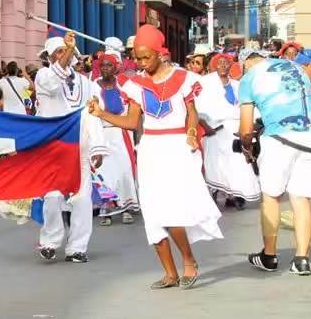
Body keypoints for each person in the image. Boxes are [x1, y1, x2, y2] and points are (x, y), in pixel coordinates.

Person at [89, 25, 222, 289]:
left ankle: (188, 261)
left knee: (173, 212)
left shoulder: (183, 79)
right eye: (137, 58)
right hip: (150, 148)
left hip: (177, 147)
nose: (140, 63)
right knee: (153, 212)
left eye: (145, 57)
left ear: (160, 54)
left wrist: (192, 131)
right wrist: (101, 114)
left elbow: (191, 111)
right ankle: (169, 273)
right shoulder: (136, 85)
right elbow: (130, 122)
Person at [237, 51, 311, 276]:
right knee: (301, 198)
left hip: (279, 138)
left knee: (271, 197)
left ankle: (269, 255)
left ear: (246, 64)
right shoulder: (295, 67)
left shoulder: (249, 78)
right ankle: (302, 259)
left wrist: (247, 149)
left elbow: (246, 130)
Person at [36, 32, 108, 263]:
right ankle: (50, 241)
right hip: (52, 146)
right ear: (48, 58)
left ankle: (77, 247)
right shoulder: (43, 76)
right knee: (52, 196)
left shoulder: (87, 85)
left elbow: (94, 115)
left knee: (82, 198)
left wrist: (97, 147)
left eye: (64, 52)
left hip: (80, 147)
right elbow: (54, 80)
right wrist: (67, 50)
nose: (62, 56)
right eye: (56, 53)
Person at [198, 52, 260, 210]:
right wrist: (205, 126)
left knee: (237, 164)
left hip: (235, 130)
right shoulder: (205, 84)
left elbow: (248, 106)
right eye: (219, 63)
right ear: (213, 66)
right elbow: (197, 108)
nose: (223, 65)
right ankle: (213, 195)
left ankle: (236, 195)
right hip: (215, 130)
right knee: (215, 165)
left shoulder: (238, 85)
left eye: (226, 63)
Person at [93, 53, 138, 226]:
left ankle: (125, 208)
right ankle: (106, 209)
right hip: (102, 134)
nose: (105, 69)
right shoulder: (94, 87)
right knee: (105, 174)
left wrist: (138, 138)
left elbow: (136, 114)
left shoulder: (125, 86)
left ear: (115, 68)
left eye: (109, 65)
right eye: (102, 65)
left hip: (122, 134)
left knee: (124, 172)